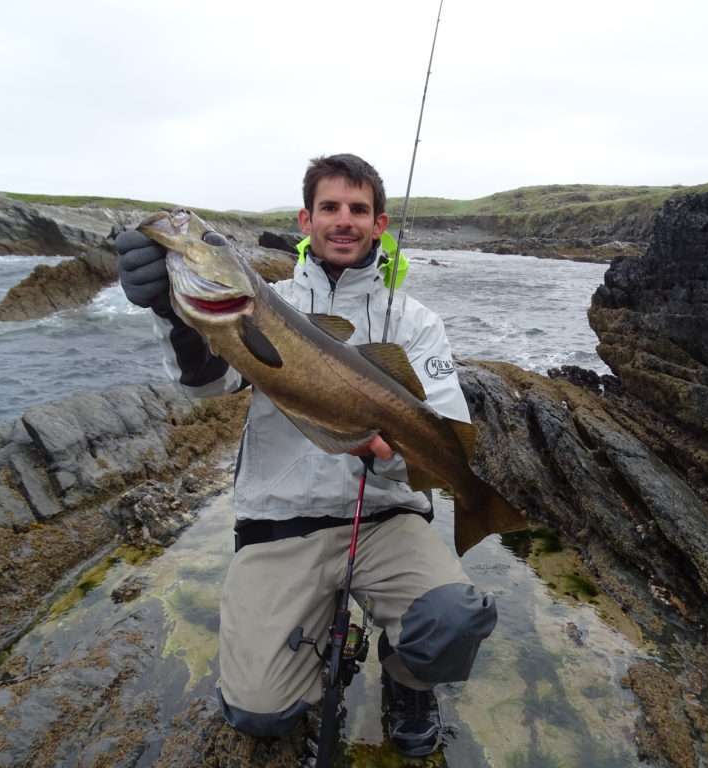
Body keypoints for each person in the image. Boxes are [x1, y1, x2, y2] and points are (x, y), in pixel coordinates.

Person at [116, 154, 496, 758]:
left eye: (358, 210)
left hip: (388, 520)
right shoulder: (268, 302)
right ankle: (316, 655)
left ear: (380, 224)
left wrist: (395, 458)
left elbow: (447, 423)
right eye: (330, 208)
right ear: (305, 219)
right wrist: (173, 314)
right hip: (281, 521)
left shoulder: (417, 322)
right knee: (257, 711)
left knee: (451, 619)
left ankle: (409, 679)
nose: (343, 221)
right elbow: (205, 386)